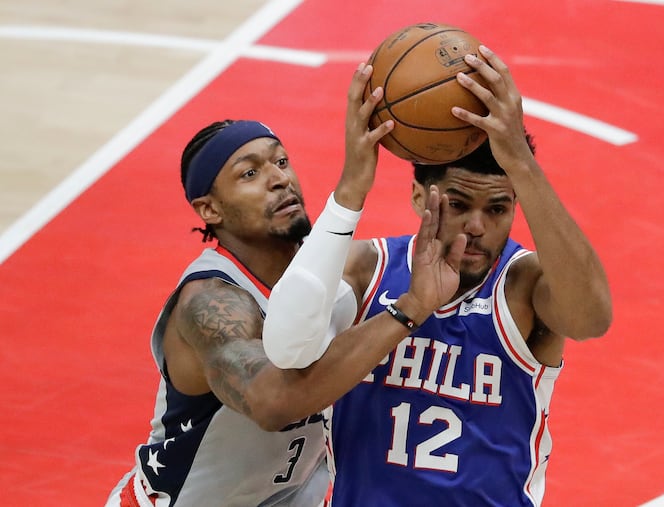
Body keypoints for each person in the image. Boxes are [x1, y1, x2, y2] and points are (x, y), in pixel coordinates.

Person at [263, 45, 613, 506]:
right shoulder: (367, 270)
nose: (477, 226)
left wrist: (523, 167)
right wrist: (409, 306)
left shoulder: (522, 287)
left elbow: (592, 319)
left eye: (498, 208)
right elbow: (287, 372)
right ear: (417, 196)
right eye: (459, 204)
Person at [104, 61, 467, 507]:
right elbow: (274, 404)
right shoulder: (210, 302)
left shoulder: (333, 270)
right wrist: (406, 309)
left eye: (280, 160)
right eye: (249, 173)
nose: (279, 178)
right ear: (210, 210)